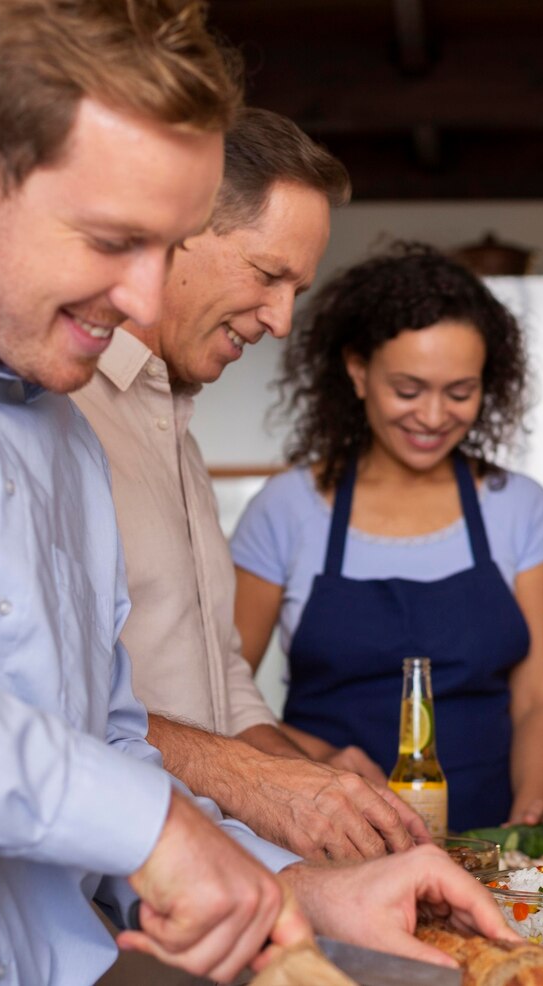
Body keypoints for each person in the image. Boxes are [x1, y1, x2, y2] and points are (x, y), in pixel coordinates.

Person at [0, 1, 510, 983]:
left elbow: (101, 738)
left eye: (170, 246)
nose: (145, 299)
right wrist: (151, 824)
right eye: (112, 240)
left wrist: (291, 886)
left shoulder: (59, 431)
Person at [73, 106, 428, 864]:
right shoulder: (62, 415)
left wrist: (311, 779)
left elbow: (220, 680)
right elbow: (59, 702)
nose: (282, 320)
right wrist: (263, 781)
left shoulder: (175, 430)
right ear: (174, 230)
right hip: (117, 875)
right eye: (269, 275)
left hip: (215, 870)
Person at [230, 245, 543, 832]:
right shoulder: (286, 508)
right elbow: (221, 690)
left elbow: (541, 694)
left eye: (460, 392)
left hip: (488, 846)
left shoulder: (519, 508)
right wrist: (313, 763)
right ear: (358, 371)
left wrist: (530, 819)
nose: (434, 416)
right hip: (327, 840)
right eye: (409, 390)